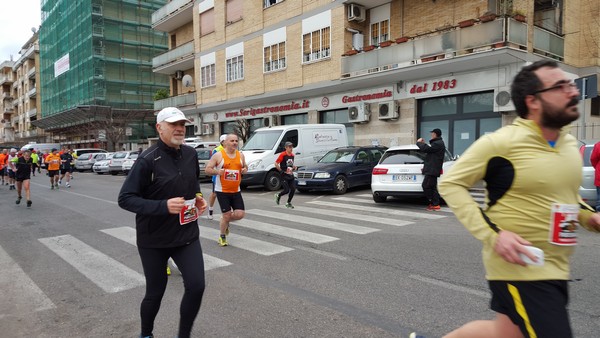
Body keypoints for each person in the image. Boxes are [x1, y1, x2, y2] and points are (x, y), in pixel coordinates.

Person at [437, 60, 600, 338]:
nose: (572, 92)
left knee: (505, 334)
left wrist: (589, 217)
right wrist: (496, 237)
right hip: (521, 269)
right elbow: (451, 184)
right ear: (533, 101)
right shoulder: (501, 143)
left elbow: (566, 196)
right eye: (561, 86)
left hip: (557, 266)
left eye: (571, 84)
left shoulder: (569, 144)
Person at [118, 107, 207, 338]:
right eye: (173, 124)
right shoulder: (147, 160)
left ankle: (183, 335)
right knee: (155, 292)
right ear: (159, 128)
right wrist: (163, 206)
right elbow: (125, 199)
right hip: (153, 239)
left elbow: (192, 185)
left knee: (196, 286)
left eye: (182, 125)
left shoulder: (190, 154)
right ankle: (146, 334)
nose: (179, 129)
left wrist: (198, 199)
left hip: (185, 235)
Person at [205, 133, 248, 247]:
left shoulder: (240, 155)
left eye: (236, 141)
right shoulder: (218, 155)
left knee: (240, 214)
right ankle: (222, 236)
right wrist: (217, 172)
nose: (234, 143)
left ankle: (225, 219)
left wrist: (244, 169)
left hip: (236, 190)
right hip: (222, 190)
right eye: (232, 141)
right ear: (225, 142)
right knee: (227, 215)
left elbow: (245, 167)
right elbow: (207, 169)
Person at [416, 128, 446, 211]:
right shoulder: (438, 143)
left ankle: (434, 203)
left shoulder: (438, 143)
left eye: (432, 133)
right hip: (433, 169)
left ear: (435, 134)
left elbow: (427, 149)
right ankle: (435, 204)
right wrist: (423, 144)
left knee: (426, 186)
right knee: (432, 187)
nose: (431, 135)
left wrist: (418, 143)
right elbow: (430, 150)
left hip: (432, 170)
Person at [206, 134, 226, 220]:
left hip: (228, 177)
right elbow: (212, 164)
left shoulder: (232, 150)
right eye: (226, 141)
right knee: (214, 194)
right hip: (217, 176)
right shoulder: (217, 150)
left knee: (227, 195)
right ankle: (210, 210)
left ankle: (227, 213)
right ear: (222, 142)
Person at [274, 141, 297, 208]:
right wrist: (280, 171)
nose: (291, 148)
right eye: (289, 147)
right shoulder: (282, 154)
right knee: (286, 190)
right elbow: (276, 163)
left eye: (291, 147)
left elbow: (290, 165)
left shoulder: (292, 155)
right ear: (286, 147)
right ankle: (278, 195)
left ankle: (288, 203)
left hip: (290, 175)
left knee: (293, 189)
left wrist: (294, 167)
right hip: (284, 175)